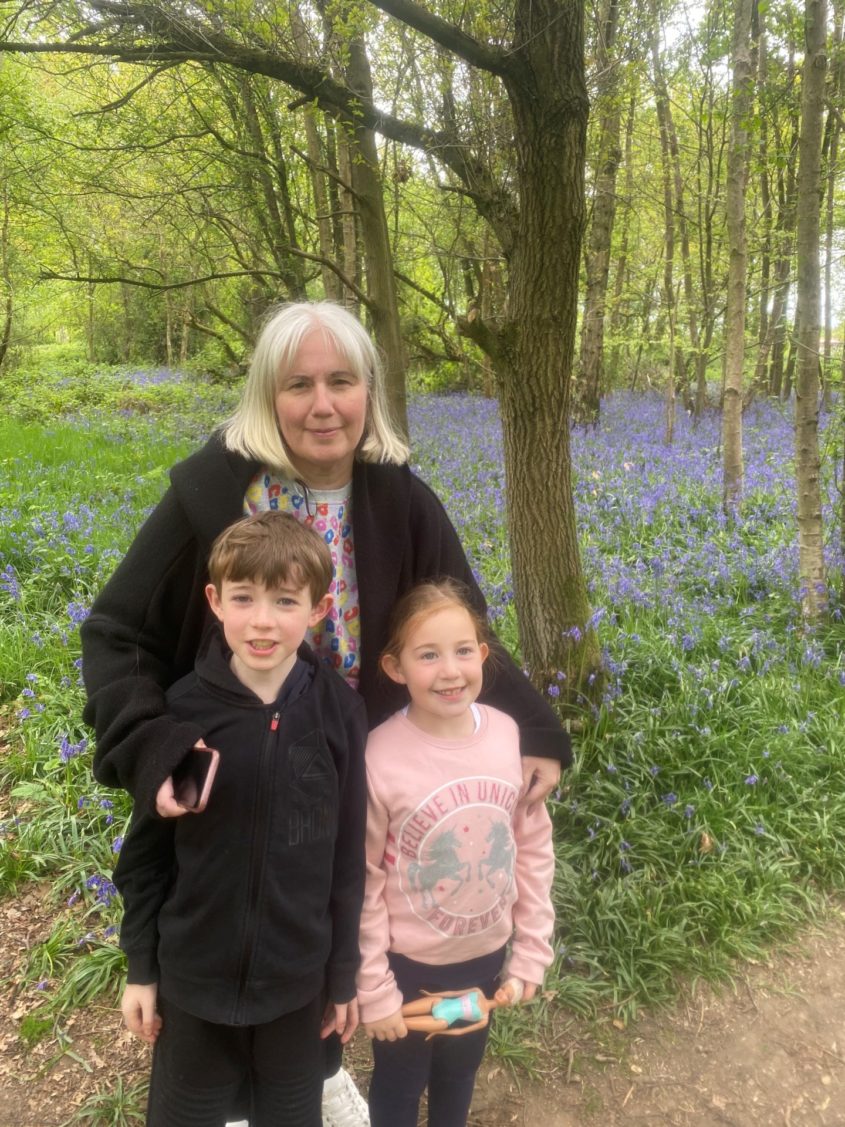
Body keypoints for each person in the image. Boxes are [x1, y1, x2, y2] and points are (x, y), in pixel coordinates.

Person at [81, 300, 571, 1126]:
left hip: (343, 781)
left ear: (367, 391)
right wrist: (154, 744)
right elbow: (116, 631)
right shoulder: (211, 495)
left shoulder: (400, 500)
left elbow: (459, 628)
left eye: (341, 381)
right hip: (229, 783)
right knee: (226, 950)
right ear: (266, 396)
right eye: (298, 383)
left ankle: (306, 1071)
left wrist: (537, 729)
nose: (322, 403)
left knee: (322, 944)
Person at [115, 511, 368, 1127]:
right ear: (215, 601)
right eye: (244, 598)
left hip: (295, 986)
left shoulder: (337, 712)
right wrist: (142, 969)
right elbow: (145, 858)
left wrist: (341, 976)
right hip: (193, 984)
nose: (262, 621)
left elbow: (347, 858)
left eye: (284, 600)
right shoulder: (179, 716)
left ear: (317, 608)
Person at [356, 579, 555, 1127]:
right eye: (428, 655)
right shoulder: (379, 757)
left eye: (464, 651)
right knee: (398, 1084)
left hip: (485, 953)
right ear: (395, 668)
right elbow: (364, 879)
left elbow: (533, 849)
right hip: (407, 963)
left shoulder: (508, 735)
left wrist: (532, 950)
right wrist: (373, 985)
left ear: (484, 656)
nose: (450, 670)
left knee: (459, 1073)